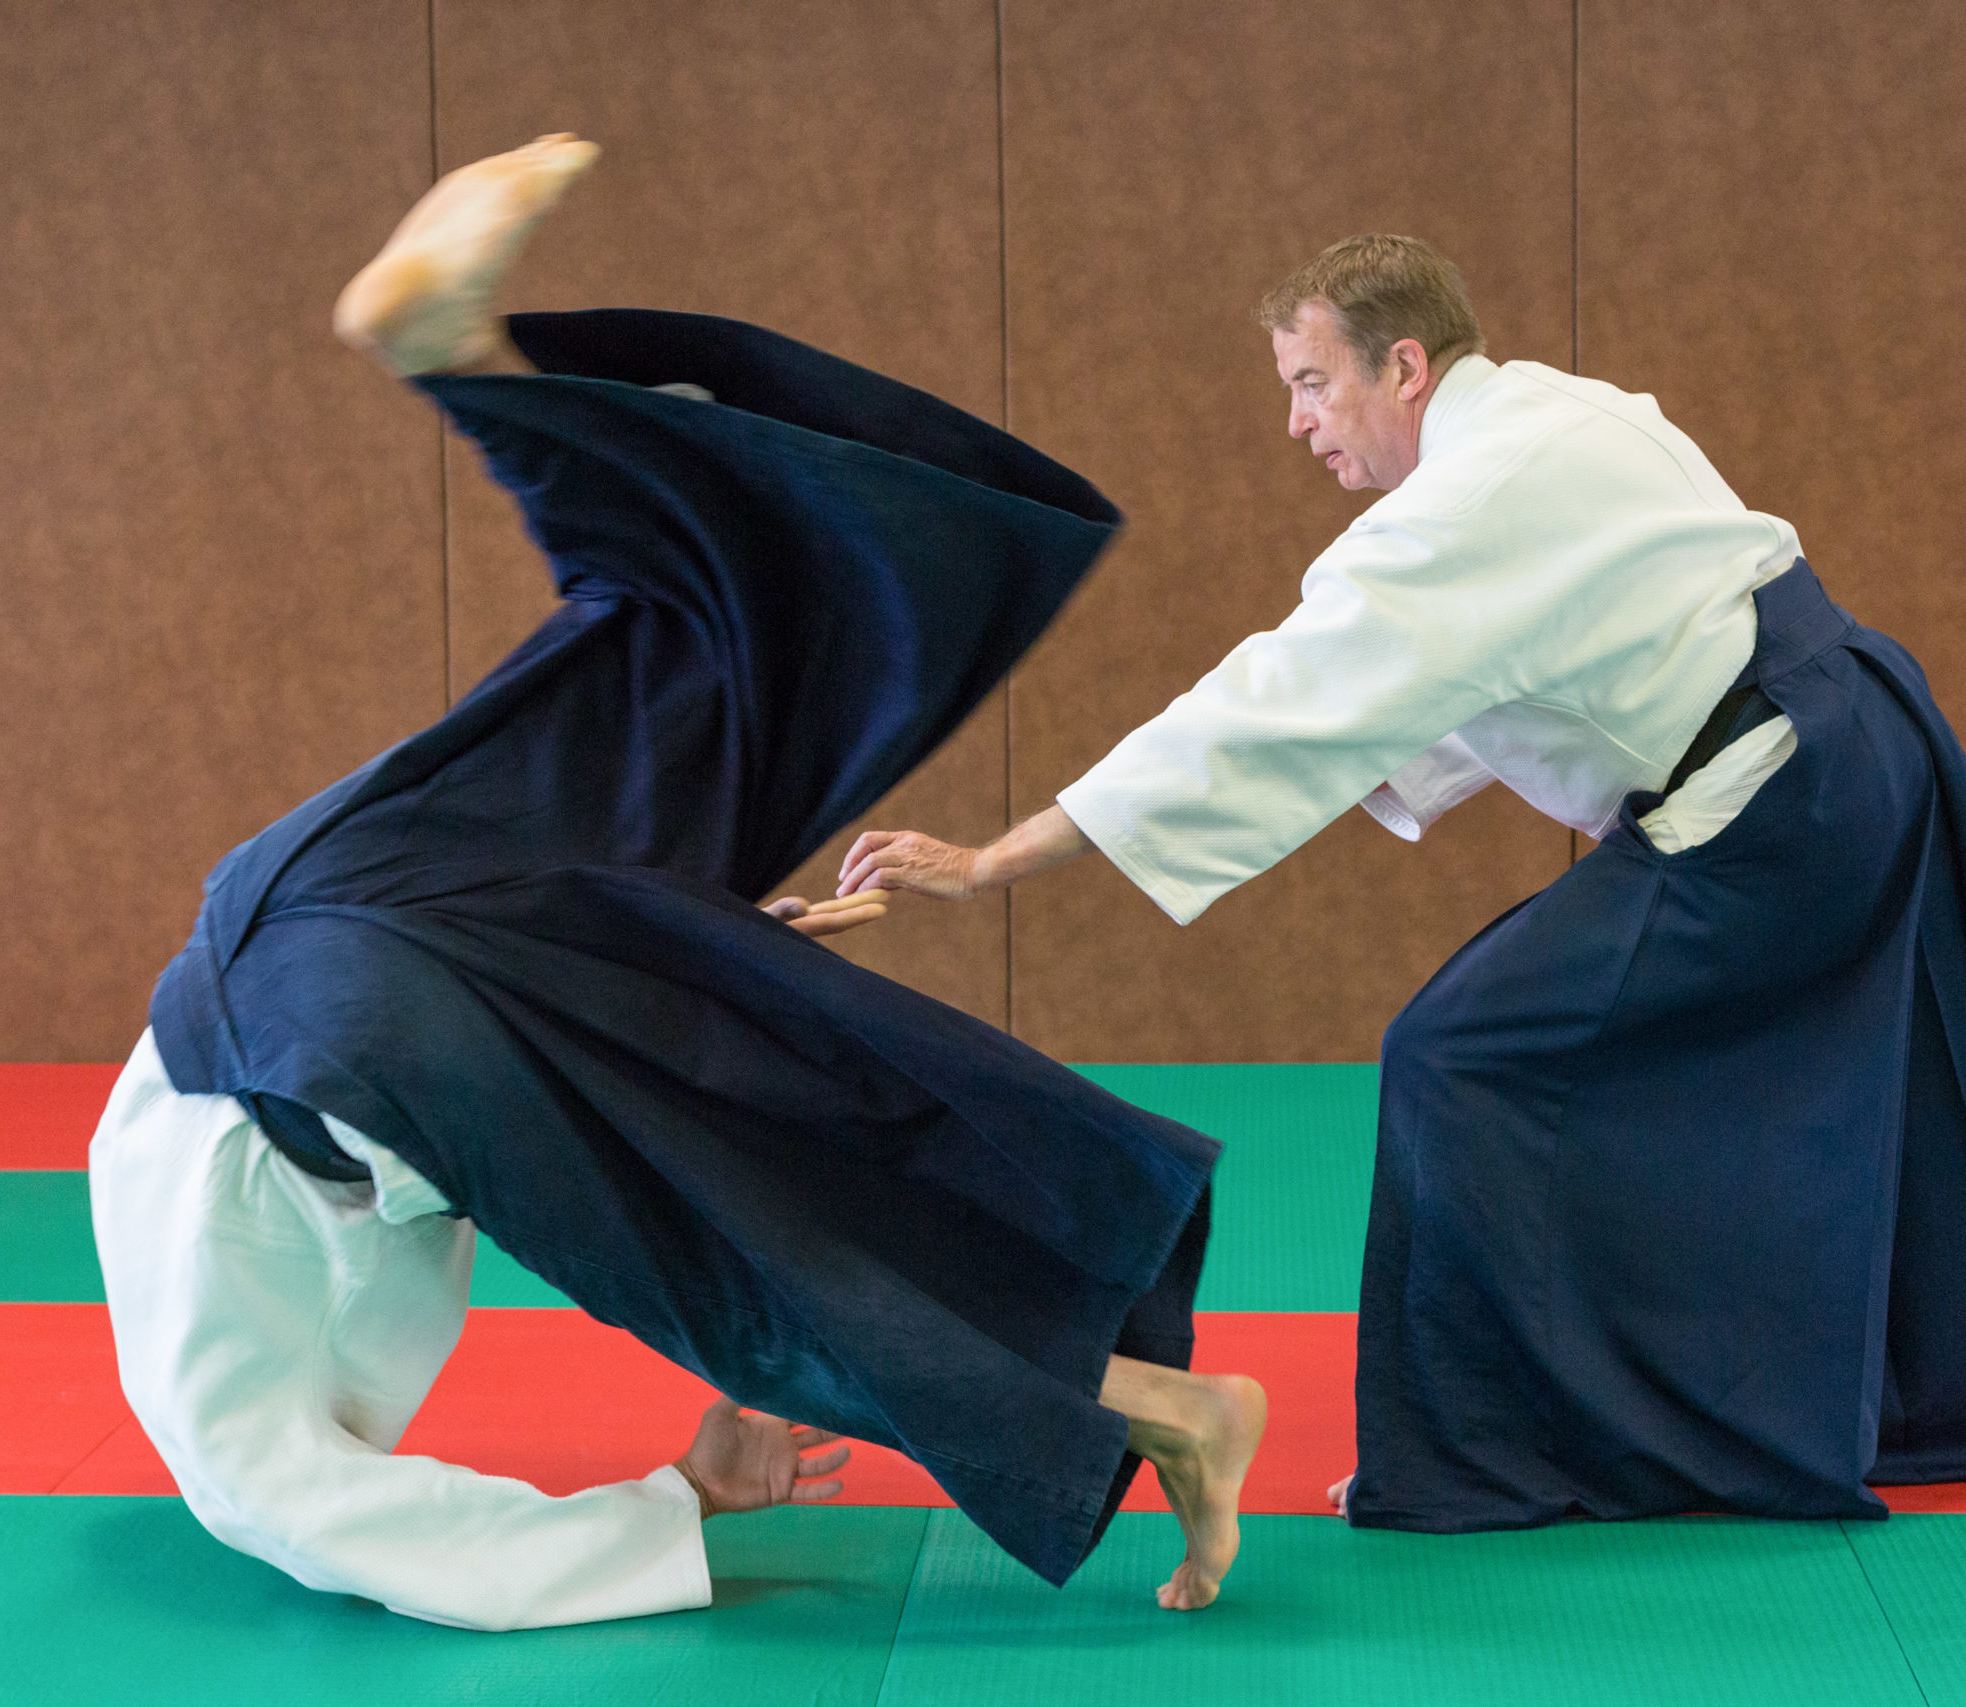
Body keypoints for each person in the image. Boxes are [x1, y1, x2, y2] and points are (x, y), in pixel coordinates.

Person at [836, 233, 1966, 1534]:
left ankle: (1488, 1453)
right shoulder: (1562, 412)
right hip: (1862, 732)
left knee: (1469, 1054)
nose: (1296, 424)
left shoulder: (1466, 502)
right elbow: (1431, 682)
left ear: (1403, 366)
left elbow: (1274, 698)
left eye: (1311, 383)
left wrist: (1007, 852)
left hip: (1774, 799)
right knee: (1962, 1056)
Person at [88, 136, 1264, 1631]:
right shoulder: (145, 1189)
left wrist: (677, 1510)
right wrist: (698, 928)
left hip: (330, 1036)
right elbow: (475, 960)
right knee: (670, 666)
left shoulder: (219, 1445)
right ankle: (478, 375)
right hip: (322, 891)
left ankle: (1167, 1408)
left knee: (744, 1243)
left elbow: (323, 1518)